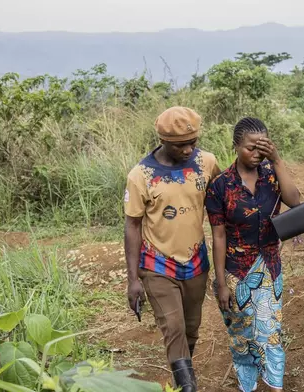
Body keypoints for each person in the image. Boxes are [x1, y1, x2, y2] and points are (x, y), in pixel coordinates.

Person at [124, 106, 220, 392]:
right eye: (181, 145)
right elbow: (132, 226)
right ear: (163, 140)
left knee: (190, 328)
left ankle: (182, 376)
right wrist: (132, 279)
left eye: (193, 142)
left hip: (196, 261)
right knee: (174, 326)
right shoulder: (141, 175)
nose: (189, 150)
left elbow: (225, 200)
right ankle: (188, 387)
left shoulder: (207, 162)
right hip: (157, 263)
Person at [205, 117, 300, 392]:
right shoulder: (220, 186)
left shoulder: (272, 175)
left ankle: (274, 386)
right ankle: (248, 386)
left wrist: (278, 160)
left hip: (269, 268)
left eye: (263, 147)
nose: (257, 154)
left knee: (270, 334)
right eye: (250, 148)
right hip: (235, 272)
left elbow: (295, 202)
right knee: (242, 337)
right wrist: (221, 282)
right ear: (235, 146)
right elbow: (218, 236)